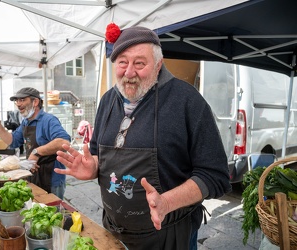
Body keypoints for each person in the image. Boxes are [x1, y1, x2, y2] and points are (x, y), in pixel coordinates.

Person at [55, 24, 232, 250]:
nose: (129, 73)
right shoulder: (108, 100)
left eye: (139, 63)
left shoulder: (187, 101)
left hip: (169, 236)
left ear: (158, 65)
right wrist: (93, 167)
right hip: (112, 231)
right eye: (122, 62)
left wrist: (167, 202)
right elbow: (99, 153)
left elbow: (215, 175)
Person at [0, 87, 70, 199]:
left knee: (52, 212)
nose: (18, 104)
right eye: (16, 101)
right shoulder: (26, 122)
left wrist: (37, 152)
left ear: (35, 102)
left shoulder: (48, 120)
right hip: (33, 174)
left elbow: (63, 142)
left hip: (51, 177)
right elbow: (12, 141)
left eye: (22, 100)